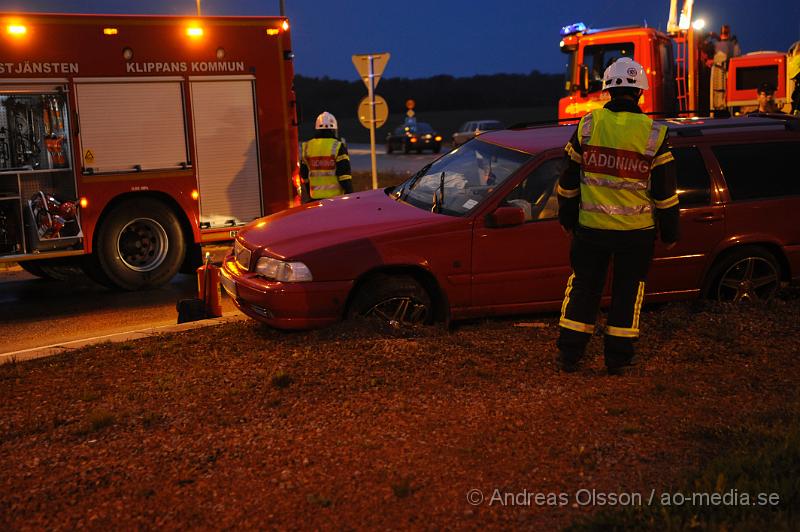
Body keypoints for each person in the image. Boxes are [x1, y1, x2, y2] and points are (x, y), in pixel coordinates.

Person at [555, 57, 679, 376]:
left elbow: (567, 184)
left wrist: (568, 220)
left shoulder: (588, 124)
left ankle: (570, 355)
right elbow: (664, 194)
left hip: (591, 228)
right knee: (627, 293)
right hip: (636, 233)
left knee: (584, 288)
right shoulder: (654, 133)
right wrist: (669, 234)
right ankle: (617, 360)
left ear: (607, 89)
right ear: (640, 92)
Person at [300, 111, 352, 203]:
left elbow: (304, 175)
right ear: (333, 130)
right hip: (336, 200)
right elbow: (344, 176)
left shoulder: (307, 146)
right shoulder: (338, 146)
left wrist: (309, 194)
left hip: (315, 200)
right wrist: (350, 196)